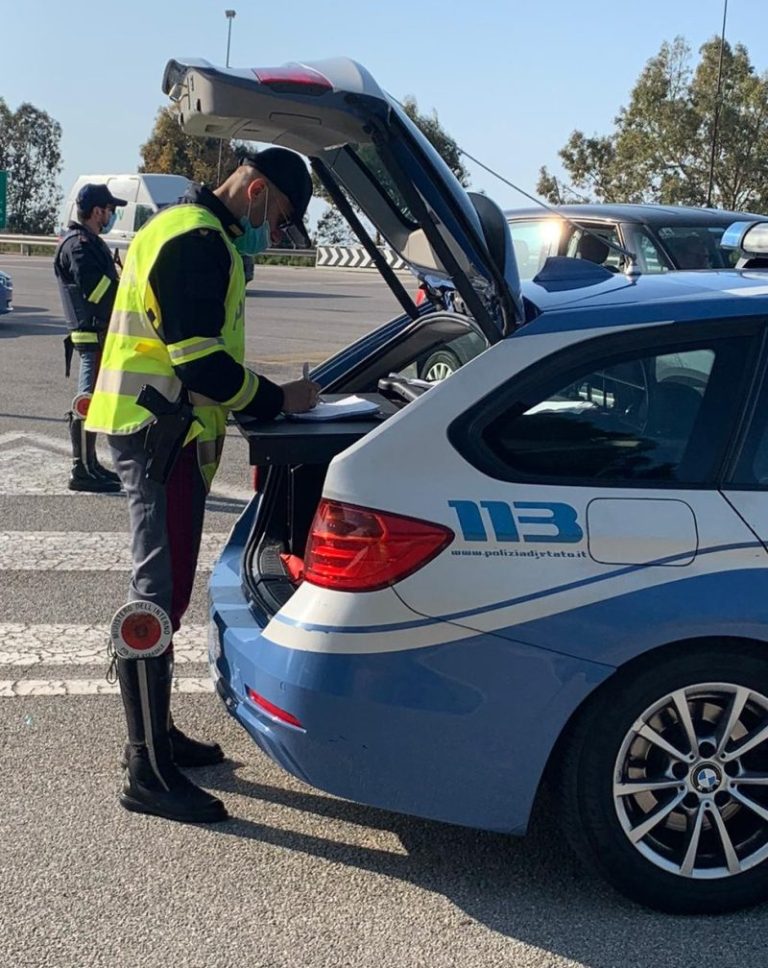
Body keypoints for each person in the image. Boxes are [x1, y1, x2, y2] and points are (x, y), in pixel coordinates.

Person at [85, 149, 320, 823]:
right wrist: (280, 401)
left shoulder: (184, 225)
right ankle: (147, 771)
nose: (271, 234)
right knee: (155, 596)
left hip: (161, 430)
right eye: (275, 217)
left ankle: (157, 738)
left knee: (166, 590)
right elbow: (201, 361)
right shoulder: (198, 239)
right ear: (255, 189)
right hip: (161, 434)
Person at [54, 184, 127, 492]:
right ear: (98, 211)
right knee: (87, 402)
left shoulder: (89, 242)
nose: (112, 216)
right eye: (111, 210)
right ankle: (81, 469)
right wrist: (127, 293)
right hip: (91, 334)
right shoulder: (79, 245)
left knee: (93, 401)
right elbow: (95, 292)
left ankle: (90, 464)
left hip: (100, 333)